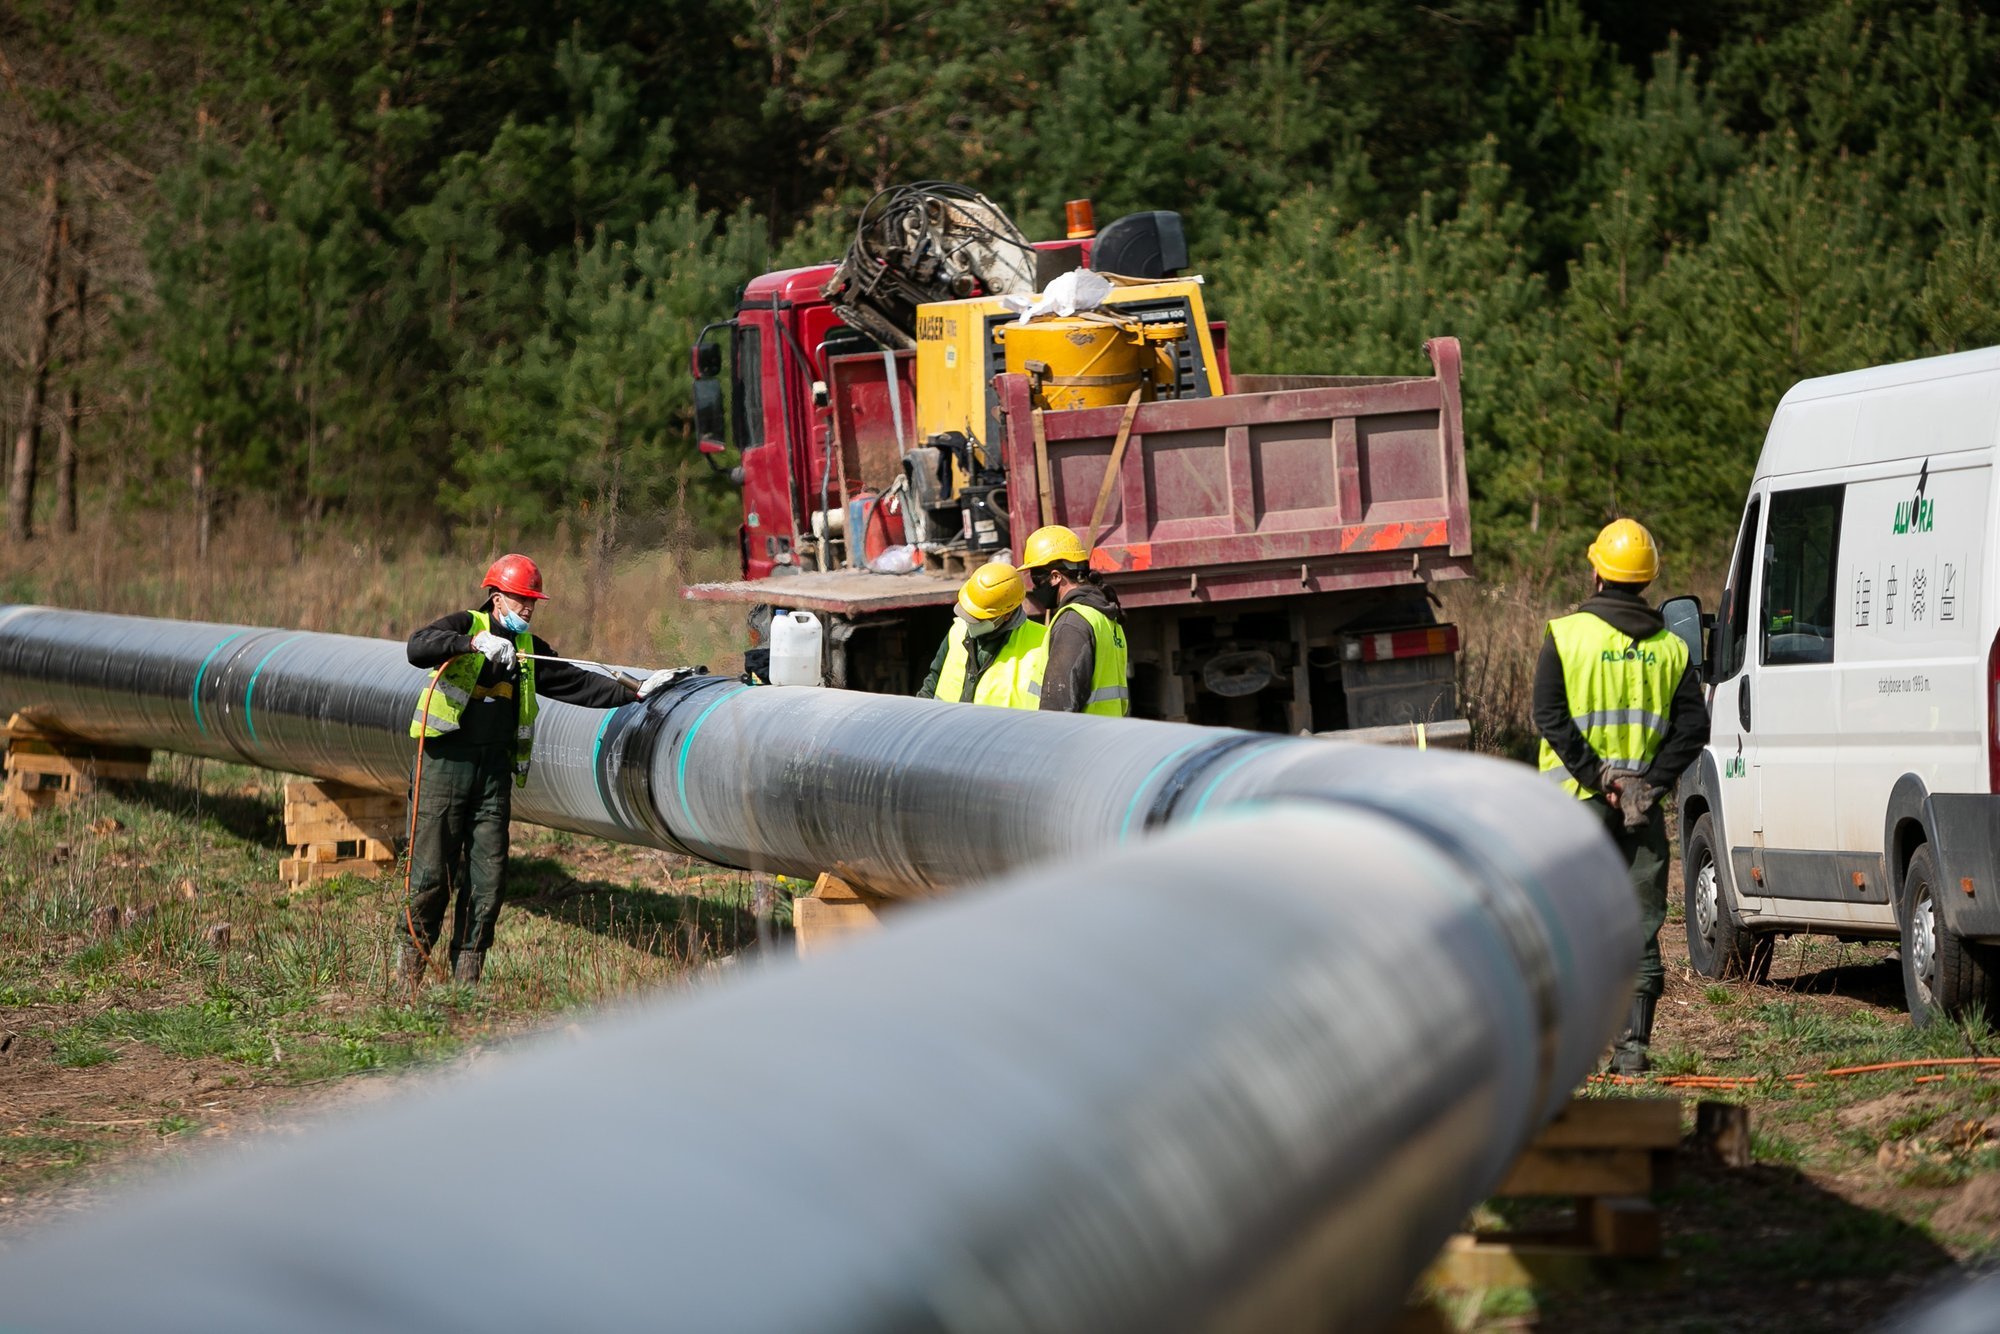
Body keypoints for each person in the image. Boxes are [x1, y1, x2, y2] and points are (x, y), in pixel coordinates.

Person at [402, 553, 677, 984]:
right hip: (444, 768)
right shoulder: (467, 625)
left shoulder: (529, 650)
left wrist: (637, 691)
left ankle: (465, 984)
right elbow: (418, 647)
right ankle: (408, 976)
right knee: (431, 876)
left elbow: (576, 682)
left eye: (533, 601)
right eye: (520, 599)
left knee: (488, 879)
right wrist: (472, 644)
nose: (528, 608)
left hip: (492, 776)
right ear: (497, 598)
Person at [1533, 519, 1710, 1073]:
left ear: (1597, 573)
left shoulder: (1566, 636)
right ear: (1649, 580)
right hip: (1641, 811)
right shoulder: (1671, 649)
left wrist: (1598, 777)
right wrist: (1648, 784)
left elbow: (1548, 716)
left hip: (1574, 806)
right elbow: (1693, 728)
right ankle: (1632, 1053)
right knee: (1639, 923)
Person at [1017, 525, 1130, 716]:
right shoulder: (1103, 615)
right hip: (1104, 731)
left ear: (1055, 576)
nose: (1035, 588)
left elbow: (1058, 705)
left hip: (1080, 734)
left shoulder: (1072, 623)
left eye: (1035, 579)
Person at [916, 561, 1046, 707]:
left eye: (978, 618)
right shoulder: (958, 630)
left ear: (1007, 615)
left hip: (999, 723)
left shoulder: (1042, 642)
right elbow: (933, 681)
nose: (970, 622)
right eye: (968, 613)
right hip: (951, 721)